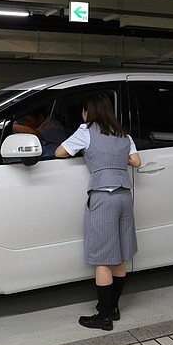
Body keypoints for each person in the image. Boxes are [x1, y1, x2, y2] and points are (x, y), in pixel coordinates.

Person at [55, 93, 141, 331]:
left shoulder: (86, 131)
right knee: (121, 255)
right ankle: (113, 307)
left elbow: (60, 152)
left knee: (103, 259)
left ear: (87, 112)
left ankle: (103, 318)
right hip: (124, 195)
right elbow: (136, 161)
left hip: (103, 195)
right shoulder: (124, 135)